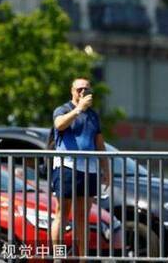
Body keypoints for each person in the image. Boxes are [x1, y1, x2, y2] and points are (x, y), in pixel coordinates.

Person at [51, 78, 110, 262]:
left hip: (89, 169)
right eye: (79, 89)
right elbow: (59, 124)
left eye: (86, 89)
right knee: (63, 213)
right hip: (67, 166)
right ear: (72, 91)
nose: (82, 92)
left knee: (83, 216)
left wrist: (105, 169)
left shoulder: (93, 115)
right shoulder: (63, 109)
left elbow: (99, 144)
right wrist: (78, 109)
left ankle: (83, 258)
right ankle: (58, 258)